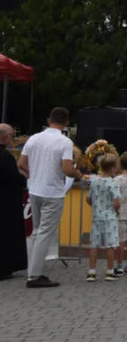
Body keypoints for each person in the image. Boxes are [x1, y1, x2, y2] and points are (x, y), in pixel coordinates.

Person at [18, 106, 81, 288]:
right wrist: (79, 174)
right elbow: (67, 169)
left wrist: (34, 174)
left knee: (37, 231)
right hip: (52, 192)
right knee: (45, 232)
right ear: (67, 123)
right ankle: (35, 275)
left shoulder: (34, 138)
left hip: (35, 190)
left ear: (48, 120)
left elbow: (21, 163)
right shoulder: (64, 142)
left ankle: (32, 270)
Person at [86, 154, 122, 282]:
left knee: (94, 245)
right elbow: (116, 201)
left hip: (97, 217)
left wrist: (96, 207)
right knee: (110, 245)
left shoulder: (94, 181)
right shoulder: (113, 183)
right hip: (110, 218)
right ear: (113, 168)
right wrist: (117, 211)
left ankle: (91, 272)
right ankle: (110, 271)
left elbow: (88, 199)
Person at [0, 123, 28, 280]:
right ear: (4, 137)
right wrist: (22, 178)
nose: (13, 138)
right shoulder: (5, 157)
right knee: (6, 234)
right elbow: (12, 178)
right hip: (6, 202)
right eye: (12, 135)